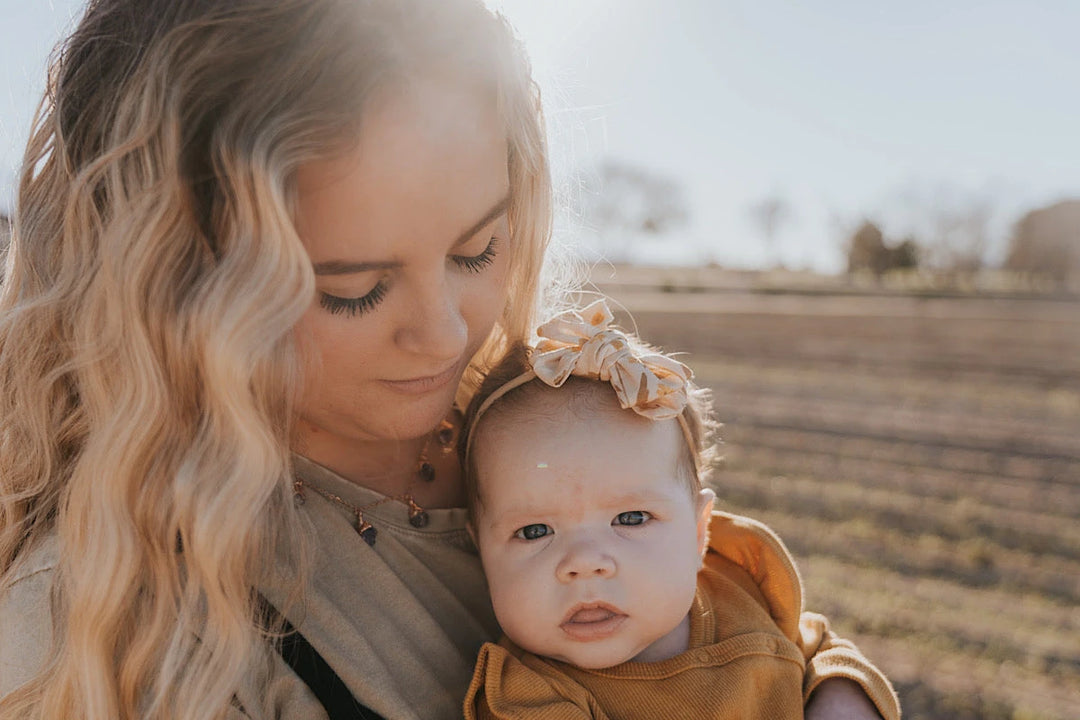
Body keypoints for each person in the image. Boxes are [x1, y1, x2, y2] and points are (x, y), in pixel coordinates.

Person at [0, 1, 892, 718]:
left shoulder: (544, 421)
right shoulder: (113, 635)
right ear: (170, 282)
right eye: (351, 288)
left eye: (477, 251)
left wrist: (835, 682)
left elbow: (752, 630)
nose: (446, 336)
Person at [460, 300, 900, 719]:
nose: (585, 563)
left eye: (630, 519)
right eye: (535, 530)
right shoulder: (528, 698)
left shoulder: (741, 584)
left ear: (697, 534)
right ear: (480, 548)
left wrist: (842, 692)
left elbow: (815, 645)